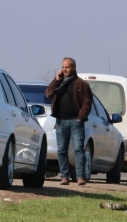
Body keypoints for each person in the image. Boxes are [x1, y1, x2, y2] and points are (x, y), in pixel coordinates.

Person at [44, 57, 92, 185]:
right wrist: (56, 80)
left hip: (76, 121)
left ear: (74, 68)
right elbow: (48, 93)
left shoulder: (82, 84)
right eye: (63, 67)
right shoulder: (59, 83)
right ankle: (64, 177)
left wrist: (80, 117)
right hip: (61, 121)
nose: (65, 69)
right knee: (61, 150)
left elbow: (87, 103)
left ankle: (80, 177)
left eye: (67, 67)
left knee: (78, 149)